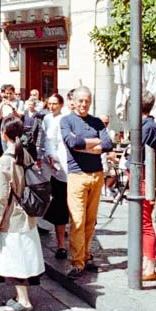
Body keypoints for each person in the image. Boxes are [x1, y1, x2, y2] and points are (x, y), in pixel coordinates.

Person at [0, 117, 45, 311]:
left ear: (4, 134)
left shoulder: (6, 160)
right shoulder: (24, 154)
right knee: (26, 256)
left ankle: (24, 301)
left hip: (12, 217)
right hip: (28, 214)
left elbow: (1, 196)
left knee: (15, 258)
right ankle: (20, 296)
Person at [60, 86, 114, 278]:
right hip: (77, 175)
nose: (84, 104)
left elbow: (108, 144)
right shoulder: (66, 121)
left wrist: (85, 145)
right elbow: (72, 143)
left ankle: (86, 255)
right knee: (77, 220)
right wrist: (95, 143)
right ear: (73, 102)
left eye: (87, 101)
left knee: (90, 221)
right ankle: (77, 262)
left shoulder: (96, 122)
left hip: (97, 175)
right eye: (81, 101)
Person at [42, 93, 70, 259]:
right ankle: (60, 244)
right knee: (59, 205)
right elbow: (48, 140)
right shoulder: (48, 119)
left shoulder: (68, 118)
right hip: (58, 168)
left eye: (55, 104)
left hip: (75, 170)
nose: (52, 107)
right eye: (50, 103)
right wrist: (50, 156)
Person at [140, 92, 156, 281]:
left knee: (145, 222)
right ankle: (145, 263)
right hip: (142, 176)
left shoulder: (147, 126)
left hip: (143, 177)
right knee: (142, 222)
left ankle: (150, 266)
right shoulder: (147, 125)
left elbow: (139, 151)